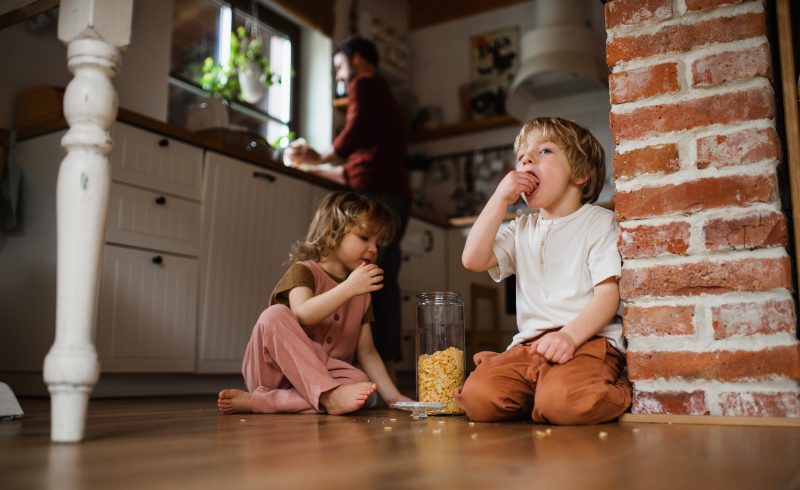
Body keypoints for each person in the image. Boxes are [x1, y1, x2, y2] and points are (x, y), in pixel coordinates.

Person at [454, 117, 632, 425]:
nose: (526, 158)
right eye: (522, 154)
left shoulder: (598, 222)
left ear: (580, 174)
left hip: (586, 340)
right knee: (478, 399)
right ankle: (540, 393)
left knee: (564, 404)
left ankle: (619, 385)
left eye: (545, 151)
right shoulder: (521, 227)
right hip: (530, 347)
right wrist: (499, 199)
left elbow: (608, 296)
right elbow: (472, 259)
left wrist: (569, 336)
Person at [218, 191, 413, 415]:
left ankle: (267, 401)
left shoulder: (362, 294)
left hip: (328, 373)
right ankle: (323, 397)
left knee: (361, 381)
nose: (374, 249)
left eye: (379, 243)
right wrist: (348, 288)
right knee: (275, 315)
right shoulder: (304, 271)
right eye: (365, 237)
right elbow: (303, 314)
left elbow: (367, 353)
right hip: (276, 373)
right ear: (332, 233)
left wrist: (393, 396)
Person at [285, 36, 411, 377]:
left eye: (340, 67)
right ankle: (386, 363)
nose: (340, 76)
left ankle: (380, 363)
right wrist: (315, 165)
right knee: (381, 279)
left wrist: (319, 155)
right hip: (390, 193)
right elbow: (356, 166)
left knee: (374, 279)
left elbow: (353, 135)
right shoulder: (383, 99)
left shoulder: (366, 84)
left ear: (356, 60)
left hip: (381, 196)